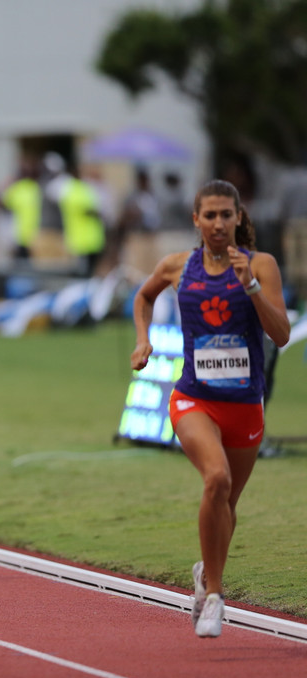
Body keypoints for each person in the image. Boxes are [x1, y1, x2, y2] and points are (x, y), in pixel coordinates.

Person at [130, 179, 290, 638]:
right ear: (195, 220)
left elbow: (279, 334)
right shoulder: (178, 265)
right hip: (194, 398)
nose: (218, 223)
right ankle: (215, 596)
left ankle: (205, 571)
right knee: (215, 479)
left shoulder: (262, 265)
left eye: (226, 214)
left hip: (245, 404)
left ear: (239, 217)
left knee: (226, 504)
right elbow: (143, 297)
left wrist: (252, 286)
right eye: (210, 215)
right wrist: (143, 339)